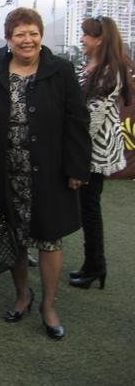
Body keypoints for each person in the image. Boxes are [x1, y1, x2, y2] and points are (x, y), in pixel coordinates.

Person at [0, 7, 91, 340]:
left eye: (33, 33)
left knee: (49, 238)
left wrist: (76, 167)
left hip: (50, 170)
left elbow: (78, 120)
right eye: (20, 34)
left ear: (41, 36)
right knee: (15, 237)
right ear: (8, 39)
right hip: (7, 169)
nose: (27, 40)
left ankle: (49, 306)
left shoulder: (60, 70)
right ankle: (22, 296)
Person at [70, 16, 131, 289]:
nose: (81, 39)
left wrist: (74, 152)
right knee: (87, 208)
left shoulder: (108, 71)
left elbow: (92, 121)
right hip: (86, 148)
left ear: (100, 39)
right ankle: (92, 264)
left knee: (90, 208)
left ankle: (96, 265)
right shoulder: (90, 67)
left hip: (94, 152)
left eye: (85, 34)